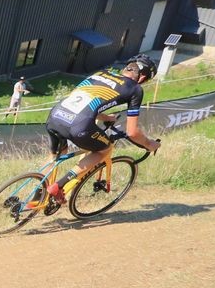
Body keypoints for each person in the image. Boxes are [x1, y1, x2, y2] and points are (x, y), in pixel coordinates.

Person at [45, 54, 162, 201]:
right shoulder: (135, 89)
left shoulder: (102, 73)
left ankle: (39, 193)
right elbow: (132, 132)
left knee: (56, 155)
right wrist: (149, 144)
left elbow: (86, 101)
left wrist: (107, 118)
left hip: (55, 116)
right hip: (78, 125)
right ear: (143, 77)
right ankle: (59, 186)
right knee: (104, 149)